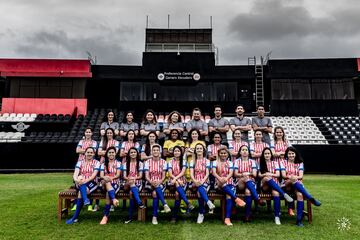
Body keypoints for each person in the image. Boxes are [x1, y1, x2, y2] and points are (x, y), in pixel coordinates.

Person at [281, 146, 321, 227]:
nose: (291, 155)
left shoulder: (300, 163)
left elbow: (301, 176)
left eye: (292, 153)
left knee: (299, 195)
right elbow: (284, 176)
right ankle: (310, 197)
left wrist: (294, 178)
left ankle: (299, 221)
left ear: (295, 154)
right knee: (292, 179)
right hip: (286, 185)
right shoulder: (283, 162)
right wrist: (292, 177)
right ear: (286, 154)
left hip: (297, 185)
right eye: (289, 154)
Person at [258, 147, 293, 225]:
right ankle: (284, 194)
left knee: (276, 193)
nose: (267, 155)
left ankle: (277, 216)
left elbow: (278, 175)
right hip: (264, 185)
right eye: (265, 154)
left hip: (274, 184)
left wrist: (270, 174)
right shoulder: (260, 163)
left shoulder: (275, 163)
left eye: (268, 153)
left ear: (271, 155)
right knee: (266, 178)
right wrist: (265, 174)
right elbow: (259, 175)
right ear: (263, 155)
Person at [211, 147, 246, 226]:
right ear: (219, 154)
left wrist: (226, 179)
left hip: (229, 183)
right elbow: (214, 173)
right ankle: (236, 199)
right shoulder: (215, 162)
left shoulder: (230, 163)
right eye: (221, 153)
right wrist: (220, 179)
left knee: (228, 196)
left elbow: (231, 173)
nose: (223, 155)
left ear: (227, 154)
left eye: (225, 153)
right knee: (222, 184)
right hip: (219, 184)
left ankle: (227, 219)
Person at [66, 147, 100, 224]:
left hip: (92, 182)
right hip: (80, 183)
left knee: (81, 193)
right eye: (88, 152)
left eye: (91, 152)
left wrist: (84, 181)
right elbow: (75, 174)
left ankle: (74, 218)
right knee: (80, 177)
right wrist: (76, 180)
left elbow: (93, 176)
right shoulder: (80, 162)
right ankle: (85, 200)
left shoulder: (96, 162)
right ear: (85, 153)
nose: (89, 154)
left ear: (94, 154)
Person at [233, 145, 265, 222]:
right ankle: (257, 198)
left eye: (246, 150)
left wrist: (247, 173)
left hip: (250, 183)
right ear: (240, 152)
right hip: (240, 183)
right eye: (243, 150)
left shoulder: (253, 162)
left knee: (248, 192)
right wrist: (243, 175)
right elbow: (235, 174)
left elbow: (254, 174)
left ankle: (247, 216)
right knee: (245, 178)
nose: (244, 151)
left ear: (248, 152)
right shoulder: (237, 161)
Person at [144, 144, 171, 224]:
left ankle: (154, 217)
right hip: (149, 182)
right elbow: (146, 176)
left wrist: (158, 182)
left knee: (155, 193)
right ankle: (164, 204)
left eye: (157, 150)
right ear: (151, 152)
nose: (155, 152)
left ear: (160, 152)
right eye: (154, 150)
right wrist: (151, 181)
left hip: (160, 182)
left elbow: (163, 177)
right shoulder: (147, 162)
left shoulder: (164, 162)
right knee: (155, 190)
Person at [189, 143, 215, 224]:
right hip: (194, 181)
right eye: (197, 149)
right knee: (200, 190)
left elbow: (207, 173)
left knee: (199, 193)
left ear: (203, 150)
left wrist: (201, 181)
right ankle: (208, 202)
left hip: (204, 181)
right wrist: (195, 181)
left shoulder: (207, 161)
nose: (199, 150)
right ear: (195, 151)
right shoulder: (192, 161)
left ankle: (201, 213)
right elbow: (191, 174)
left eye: (201, 148)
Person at [167, 146, 194, 222]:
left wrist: (177, 180)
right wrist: (176, 180)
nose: (176, 152)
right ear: (173, 152)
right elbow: (169, 173)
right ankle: (187, 203)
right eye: (175, 151)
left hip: (182, 182)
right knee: (176, 185)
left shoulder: (184, 161)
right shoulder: (170, 161)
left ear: (181, 153)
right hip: (171, 182)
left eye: (178, 151)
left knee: (177, 194)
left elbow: (183, 173)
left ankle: (174, 216)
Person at [98, 147, 121, 225]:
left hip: (115, 184)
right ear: (107, 154)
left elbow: (118, 175)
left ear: (115, 154)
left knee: (108, 193)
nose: (111, 154)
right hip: (104, 184)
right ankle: (114, 199)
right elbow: (101, 175)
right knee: (106, 181)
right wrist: (106, 178)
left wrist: (110, 178)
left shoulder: (118, 163)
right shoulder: (103, 164)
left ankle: (105, 216)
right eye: (109, 152)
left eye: (113, 152)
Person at [122, 147, 146, 223]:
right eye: (131, 152)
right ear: (129, 154)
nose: (133, 154)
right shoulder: (125, 164)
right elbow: (124, 176)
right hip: (127, 183)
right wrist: (130, 179)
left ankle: (130, 216)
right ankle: (139, 202)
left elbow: (140, 176)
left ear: (137, 154)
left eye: (134, 152)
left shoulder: (141, 163)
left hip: (137, 183)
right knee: (131, 184)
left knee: (131, 193)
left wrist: (134, 178)